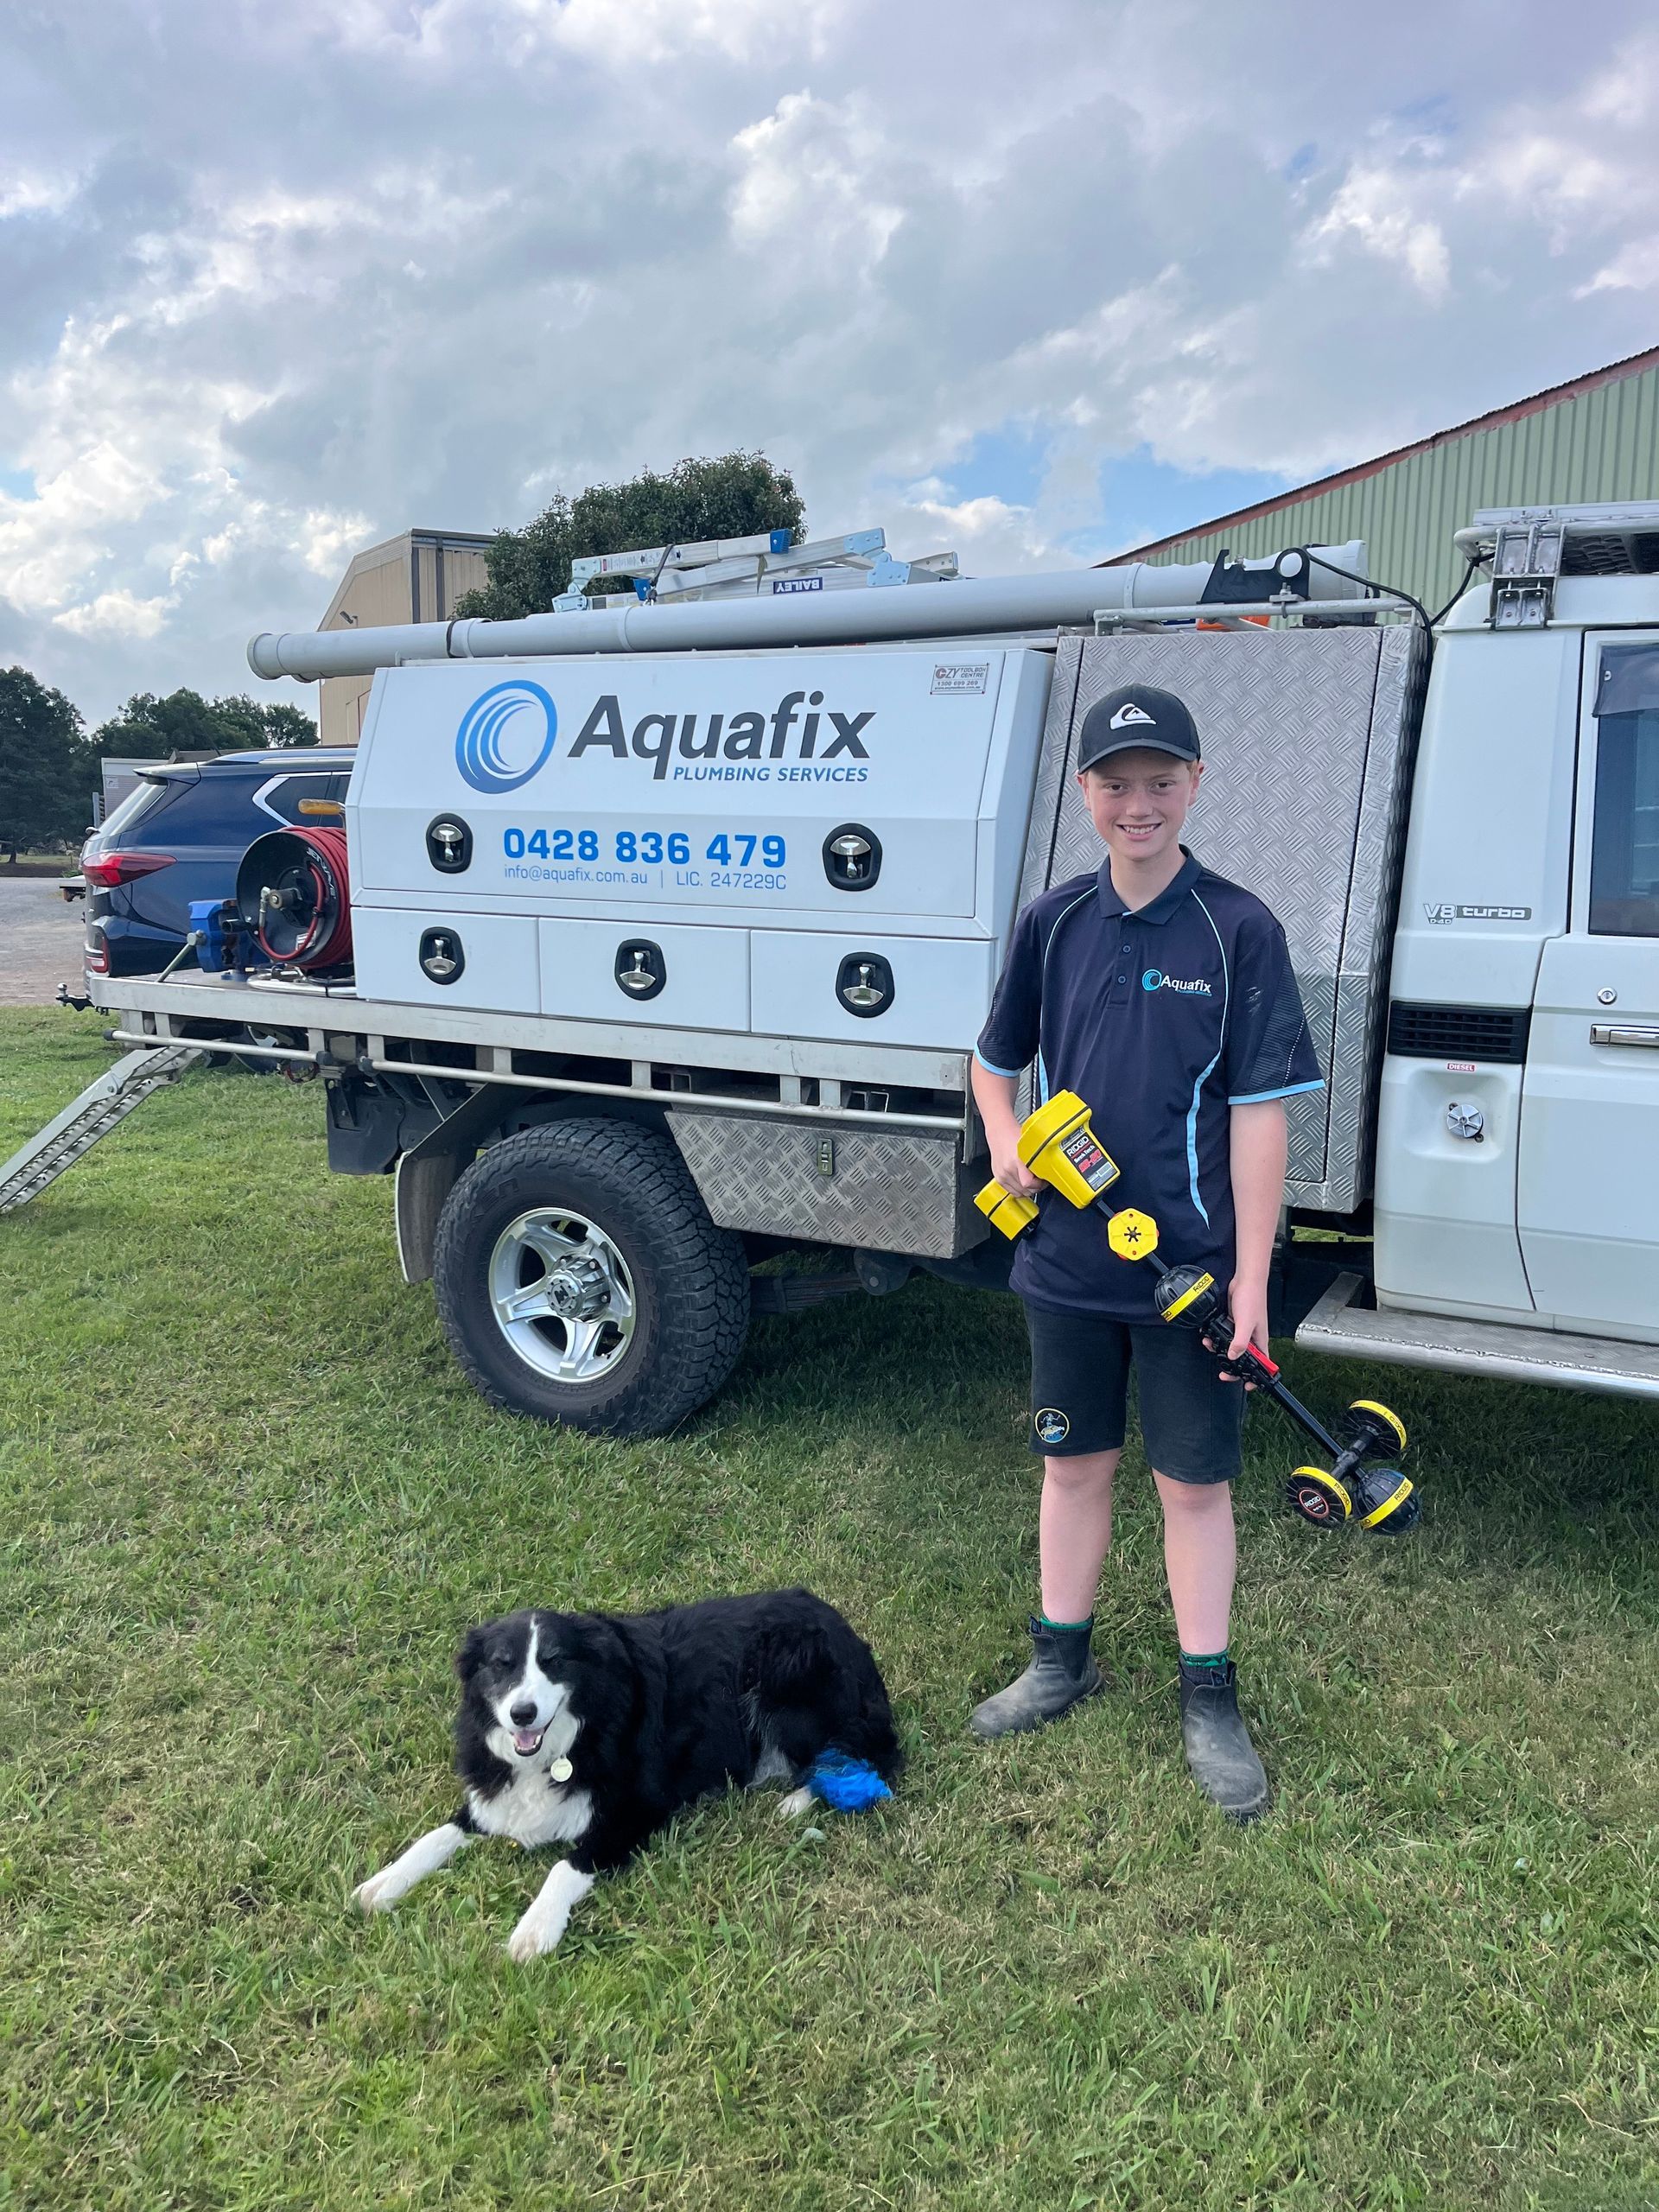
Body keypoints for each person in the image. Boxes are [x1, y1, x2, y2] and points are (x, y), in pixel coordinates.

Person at [969, 682, 1323, 1821]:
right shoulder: (1053, 922)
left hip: (1193, 1282)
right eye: (1117, 785)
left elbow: (1262, 1115)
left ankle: (1208, 1696)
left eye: (1159, 783)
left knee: (1194, 1485)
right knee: (1071, 1466)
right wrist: (1005, 1137)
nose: (1139, 804)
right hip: (1067, 1267)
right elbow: (992, 1060)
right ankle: (1059, 1660)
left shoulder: (1239, 928)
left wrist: (1254, 1282)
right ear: (1085, 796)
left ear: (1196, 787)